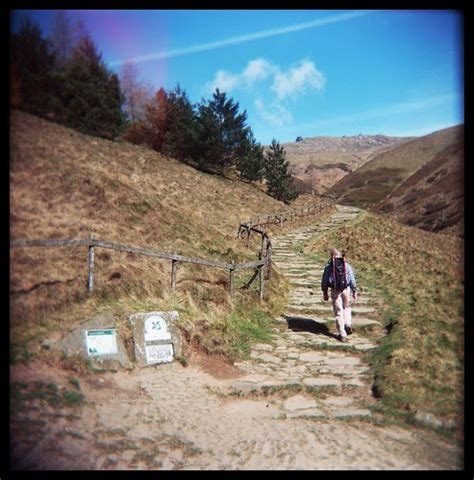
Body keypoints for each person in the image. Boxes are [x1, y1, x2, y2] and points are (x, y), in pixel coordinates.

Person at [321, 248, 357, 342]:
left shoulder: (329, 266)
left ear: (331, 256)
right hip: (346, 289)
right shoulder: (346, 265)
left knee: (338, 312)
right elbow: (352, 278)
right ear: (340, 256)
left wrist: (325, 292)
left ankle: (342, 334)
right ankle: (348, 324)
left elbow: (325, 281)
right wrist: (354, 291)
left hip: (335, 290)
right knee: (347, 307)